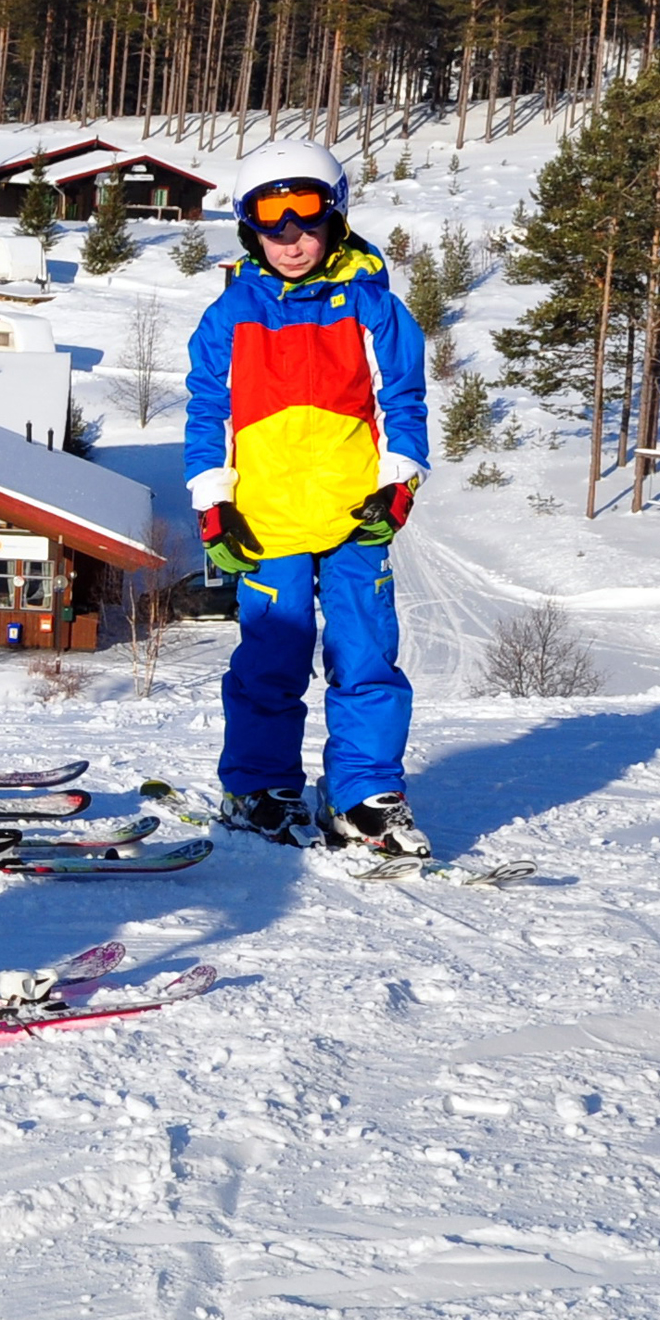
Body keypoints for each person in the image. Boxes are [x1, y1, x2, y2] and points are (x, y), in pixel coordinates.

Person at [183, 140, 430, 856]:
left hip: (356, 517)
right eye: (271, 220)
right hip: (267, 521)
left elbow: (403, 400)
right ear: (248, 227)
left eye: (306, 215)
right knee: (271, 658)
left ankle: (365, 796)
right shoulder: (230, 315)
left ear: (336, 214)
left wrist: (397, 485)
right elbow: (209, 413)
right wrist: (213, 499)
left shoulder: (373, 305)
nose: (291, 237)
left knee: (366, 656)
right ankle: (260, 787)